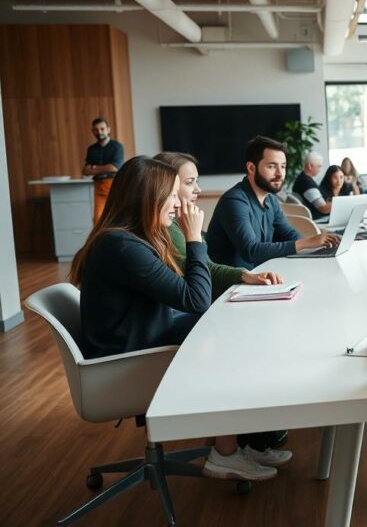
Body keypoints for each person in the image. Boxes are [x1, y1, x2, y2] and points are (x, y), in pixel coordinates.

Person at [69, 156, 286, 481]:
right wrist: (194, 236)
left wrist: (238, 276)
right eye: (171, 195)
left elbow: (189, 285)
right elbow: (196, 298)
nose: (178, 204)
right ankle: (226, 452)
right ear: (147, 198)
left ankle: (242, 438)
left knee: (235, 326)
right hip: (125, 359)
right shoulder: (122, 246)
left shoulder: (133, 237)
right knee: (227, 338)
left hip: (139, 335)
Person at [154, 152, 284, 298]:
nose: (198, 189)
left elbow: (206, 268)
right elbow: (200, 277)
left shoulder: (177, 222)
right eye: (190, 182)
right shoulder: (167, 227)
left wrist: (245, 275)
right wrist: (194, 236)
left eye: (197, 181)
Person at [206, 136, 340, 270]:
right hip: (233, 285)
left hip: (261, 274)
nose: (280, 174)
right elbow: (251, 251)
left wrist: (316, 248)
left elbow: (289, 234)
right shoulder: (234, 201)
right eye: (272, 166)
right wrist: (307, 242)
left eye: (283, 167)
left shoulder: (270, 199)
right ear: (251, 168)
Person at [83, 117, 125, 223]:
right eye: (96, 130)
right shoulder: (91, 149)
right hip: (98, 187)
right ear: (93, 131)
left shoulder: (117, 147)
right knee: (98, 220)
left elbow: (115, 167)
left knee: (117, 218)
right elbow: (86, 171)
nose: (99, 132)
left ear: (108, 129)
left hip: (114, 185)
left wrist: (95, 168)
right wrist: (105, 168)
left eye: (102, 129)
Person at [292, 151, 333, 219]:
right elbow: (323, 209)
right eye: (319, 166)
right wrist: (339, 203)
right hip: (316, 221)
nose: (320, 170)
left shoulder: (302, 178)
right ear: (310, 166)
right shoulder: (306, 183)